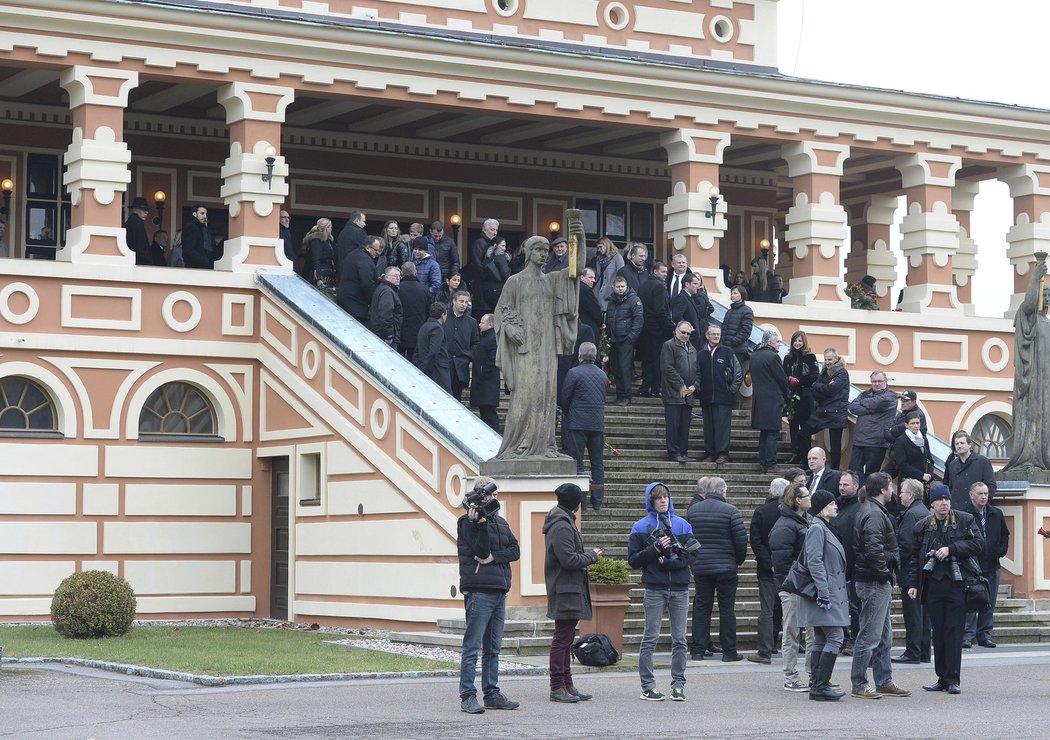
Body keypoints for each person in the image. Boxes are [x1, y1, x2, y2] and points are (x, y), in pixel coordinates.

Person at [493, 234, 582, 460]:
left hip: (546, 350)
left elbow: (576, 268)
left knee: (546, 395)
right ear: (529, 253)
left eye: (546, 250)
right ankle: (518, 445)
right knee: (524, 394)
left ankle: (544, 446)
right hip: (524, 349)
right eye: (539, 250)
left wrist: (577, 234)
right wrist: (509, 329)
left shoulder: (551, 280)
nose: (543, 254)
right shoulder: (515, 281)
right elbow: (501, 311)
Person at [908, 483, 984, 695]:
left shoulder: (964, 520)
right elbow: (914, 558)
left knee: (953, 631)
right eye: (940, 500)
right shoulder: (923, 525)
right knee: (938, 632)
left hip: (957, 584)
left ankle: (953, 679)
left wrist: (952, 549)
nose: (944, 503)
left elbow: (979, 544)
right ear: (931, 503)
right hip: (932, 585)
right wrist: (914, 583)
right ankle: (941, 677)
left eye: (947, 499)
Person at [628, 482, 698, 702]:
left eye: (665, 496)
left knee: (680, 640)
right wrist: (655, 548)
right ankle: (647, 686)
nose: (662, 500)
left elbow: (693, 555)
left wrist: (670, 563)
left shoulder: (683, 525)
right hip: (654, 589)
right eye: (657, 497)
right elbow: (633, 561)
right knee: (650, 638)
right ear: (650, 501)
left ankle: (678, 685)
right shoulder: (640, 527)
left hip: (679, 589)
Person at [456, 477, 521, 714]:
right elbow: (480, 550)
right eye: (491, 495)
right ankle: (467, 695)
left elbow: (516, 550)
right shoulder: (466, 522)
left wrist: (494, 558)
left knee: (493, 648)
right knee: (472, 647)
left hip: (499, 591)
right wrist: (480, 525)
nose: (495, 498)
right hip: (479, 591)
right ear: (480, 496)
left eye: (496, 494)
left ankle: (492, 693)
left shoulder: (502, 522)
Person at [850, 471, 911, 699]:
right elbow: (873, 549)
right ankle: (859, 683)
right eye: (891, 486)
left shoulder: (872, 510)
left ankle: (884, 680)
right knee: (869, 635)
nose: (893, 489)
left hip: (874, 579)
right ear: (883, 489)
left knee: (884, 636)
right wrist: (884, 573)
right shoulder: (875, 514)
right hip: (874, 581)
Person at [543, 483, 602, 703]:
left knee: (566, 639)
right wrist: (592, 556)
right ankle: (557, 686)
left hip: (568, 588)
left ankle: (567, 684)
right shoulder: (562, 526)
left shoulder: (564, 521)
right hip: (565, 589)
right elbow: (569, 560)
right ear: (575, 502)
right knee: (562, 639)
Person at [686, 476, 747, 662]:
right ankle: (729, 651)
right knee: (727, 608)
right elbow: (741, 541)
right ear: (723, 491)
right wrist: (737, 561)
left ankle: (698, 649)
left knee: (701, 607)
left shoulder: (693, 511)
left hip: (701, 567)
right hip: (726, 568)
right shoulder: (731, 511)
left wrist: (693, 561)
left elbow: (687, 538)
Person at [798, 488, 849, 700]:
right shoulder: (818, 528)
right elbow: (814, 561)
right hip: (825, 592)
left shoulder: (823, 527)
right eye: (831, 503)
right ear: (821, 508)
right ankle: (820, 685)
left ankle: (817, 683)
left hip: (827, 591)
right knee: (836, 636)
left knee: (821, 637)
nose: (835, 506)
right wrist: (824, 592)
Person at [1004, 259, 1050, 472]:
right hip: (1033, 383)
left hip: (1047, 383)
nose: (1047, 298)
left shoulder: (1048, 323)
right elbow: (1030, 304)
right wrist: (1035, 278)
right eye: (1045, 294)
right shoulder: (1028, 317)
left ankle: (1045, 455)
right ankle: (1030, 455)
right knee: (1033, 416)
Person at [769, 481, 812, 691]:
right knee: (792, 631)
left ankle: (814, 673)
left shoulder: (807, 521)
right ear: (797, 500)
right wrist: (789, 585)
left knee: (813, 632)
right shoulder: (785, 525)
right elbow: (781, 562)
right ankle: (791, 675)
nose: (809, 498)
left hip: (809, 585)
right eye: (806, 496)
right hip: (793, 586)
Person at [959, 481, 1009, 649]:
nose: (984, 497)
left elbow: (1005, 535)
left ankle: (985, 635)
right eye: (980, 494)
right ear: (971, 495)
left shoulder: (996, 513)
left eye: (986, 494)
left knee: (989, 602)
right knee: (972, 599)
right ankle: (967, 635)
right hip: (972, 566)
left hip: (992, 564)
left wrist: (1000, 551)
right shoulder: (964, 514)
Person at [560, 342, 608, 510]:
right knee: (597, 462)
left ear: (579, 355)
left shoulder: (573, 373)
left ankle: (582, 500)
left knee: (578, 462)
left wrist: (568, 413)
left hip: (577, 422)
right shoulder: (602, 375)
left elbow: (564, 398)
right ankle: (598, 500)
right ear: (594, 356)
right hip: (597, 423)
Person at [749, 477, 790, 665]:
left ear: (770, 492)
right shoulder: (790, 513)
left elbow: (756, 542)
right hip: (788, 569)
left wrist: (768, 562)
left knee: (767, 609)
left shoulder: (761, 512)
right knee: (790, 609)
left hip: (766, 570)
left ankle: (765, 651)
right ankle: (790, 647)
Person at [893, 478, 932, 665]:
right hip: (923, 571)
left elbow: (907, 546)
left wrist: (898, 566)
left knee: (913, 613)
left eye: (901, 491)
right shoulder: (924, 511)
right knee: (923, 614)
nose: (899, 495)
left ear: (910, 495)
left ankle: (913, 651)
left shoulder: (911, 515)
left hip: (911, 572)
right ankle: (923, 651)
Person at [697, 325, 742, 464]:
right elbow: (697, 374)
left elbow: (738, 373)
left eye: (718, 334)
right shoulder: (701, 354)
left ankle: (722, 454)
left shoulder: (727, 352)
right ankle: (710, 453)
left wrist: (731, 390)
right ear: (707, 335)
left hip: (724, 398)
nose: (716, 336)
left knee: (722, 427)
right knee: (709, 427)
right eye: (713, 334)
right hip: (706, 397)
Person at [829, 470, 862, 655]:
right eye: (840, 484)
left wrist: (849, 570)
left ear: (855, 487)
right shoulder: (837, 505)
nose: (842, 487)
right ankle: (842, 638)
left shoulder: (858, 508)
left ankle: (854, 640)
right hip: (837, 567)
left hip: (852, 566)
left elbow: (852, 542)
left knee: (855, 607)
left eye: (846, 485)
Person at [750, 328, 789, 473]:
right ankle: (771, 464)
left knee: (764, 433)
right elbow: (781, 379)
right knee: (772, 433)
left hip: (759, 400)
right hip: (772, 400)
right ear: (770, 343)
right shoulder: (773, 357)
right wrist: (787, 396)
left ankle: (763, 462)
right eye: (777, 341)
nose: (779, 344)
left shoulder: (755, 355)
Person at [847, 371, 898, 481]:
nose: (877, 384)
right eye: (874, 381)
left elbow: (881, 402)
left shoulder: (891, 396)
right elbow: (852, 407)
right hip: (859, 441)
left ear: (885, 381)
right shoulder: (865, 393)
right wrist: (873, 408)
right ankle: (859, 495)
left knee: (872, 475)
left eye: (880, 381)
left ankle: (868, 496)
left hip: (877, 442)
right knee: (853, 472)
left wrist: (864, 404)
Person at [660, 321, 697, 464]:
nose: (686, 335)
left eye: (688, 333)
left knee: (685, 426)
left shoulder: (692, 348)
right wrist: (680, 384)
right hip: (673, 394)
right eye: (683, 332)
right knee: (673, 425)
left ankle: (683, 451)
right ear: (676, 331)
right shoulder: (669, 345)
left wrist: (694, 386)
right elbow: (667, 368)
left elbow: (697, 370)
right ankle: (673, 452)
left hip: (688, 394)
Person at [807, 348, 850, 469]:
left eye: (830, 359)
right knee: (803, 433)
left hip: (836, 413)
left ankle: (834, 470)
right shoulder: (825, 370)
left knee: (835, 446)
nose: (827, 362)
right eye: (825, 359)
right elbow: (816, 389)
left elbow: (831, 389)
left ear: (836, 359)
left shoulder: (842, 373)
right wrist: (822, 387)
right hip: (824, 411)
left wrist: (819, 386)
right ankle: (807, 463)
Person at [604, 275, 643, 407]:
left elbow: (638, 320)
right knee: (616, 369)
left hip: (626, 340)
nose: (620, 289)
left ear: (626, 287)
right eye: (618, 287)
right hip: (613, 339)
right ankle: (620, 396)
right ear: (613, 287)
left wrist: (631, 337)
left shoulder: (634, 300)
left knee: (624, 369)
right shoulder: (612, 301)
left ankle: (626, 396)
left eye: (622, 287)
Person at [637, 261, 672, 398]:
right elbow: (660, 310)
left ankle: (645, 387)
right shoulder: (660, 286)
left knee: (647, 359)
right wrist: (669, 326)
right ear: (655, 271)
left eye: (666, 272)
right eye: (663, 271)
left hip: (644, 326)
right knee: (657, 359)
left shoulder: (643, 284)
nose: (665, 274)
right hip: (657, 329)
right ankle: (656, 388)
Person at [783, 330, 819, 465]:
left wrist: (800, 380)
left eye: (800, 341)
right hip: (791, 397)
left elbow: (815, 376)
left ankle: (806, 457)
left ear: (804, 342)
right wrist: (789, 379)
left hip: (805, 397)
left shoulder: (810, 357)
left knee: (805, 428)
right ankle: (796, 453)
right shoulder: (788, 358)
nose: (797, 343)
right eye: (795, 341)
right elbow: (783, 374)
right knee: (793, 427)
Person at [944, 431, 997, 508]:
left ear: (969, 445)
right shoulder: (952, 465)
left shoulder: (982, 462)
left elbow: (991, 485)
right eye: (957, 444)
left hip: (976, 509)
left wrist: (982, 503)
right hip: (957, 509)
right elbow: (950, 487)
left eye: (962, 443)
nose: (959, 446)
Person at [336, 234, 381, 323]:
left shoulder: (352, 255)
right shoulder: (365, 260)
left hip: (345, 299)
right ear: (368, 247)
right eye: (376, 250)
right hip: (357, 305)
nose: (378, 253)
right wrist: (374, 301)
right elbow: (367, 283)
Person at [445, 290, 480, 403]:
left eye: (466, 302)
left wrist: (468, 357)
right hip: (444, 364)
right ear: (453, 301)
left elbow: (475, 343)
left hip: (461, 366)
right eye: (461, 301)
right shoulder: (444, 317)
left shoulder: (472, 322)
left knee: (456, 398)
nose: (464, 304)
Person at [884, 411, 933, 490]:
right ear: (906, 425)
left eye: (918, 423)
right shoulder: (901, 441)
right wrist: (921, 475)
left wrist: (930, 474)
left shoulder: (923, 438)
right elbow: (901, 464)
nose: (916, 426)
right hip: (907, 483)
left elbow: (929, 459)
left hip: (923, 482)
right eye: (912, 423)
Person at [470, 313, 501, 433]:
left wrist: (483, 372)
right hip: (484, 385)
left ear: (491, 324)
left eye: (482, 322)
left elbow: (493, 360)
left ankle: (494, 437)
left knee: (489, 414)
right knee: (485, 414)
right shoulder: (486, 337)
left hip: (487, 385)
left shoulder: (492, 338)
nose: (479, 324)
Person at [414, 303, 452, 392]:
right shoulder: (437, 328)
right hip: (437, 372)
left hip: (424, 367)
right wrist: (425, 369)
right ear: (443, 315)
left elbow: (417, 349)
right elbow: (434, 352)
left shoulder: (424, 326)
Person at [397, 261, 430, 361]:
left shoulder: (397, 289)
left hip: (400, 331)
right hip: (418, 331)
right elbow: (428, 311)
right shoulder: (424, 290)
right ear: (415, 272)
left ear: (402, 273)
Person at [367, 266, 403, 348]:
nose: (398, 278)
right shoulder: (387, 292)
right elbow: (386, 314)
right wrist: (389, 335)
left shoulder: (382, 288)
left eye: (399, 276)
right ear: (386, 277)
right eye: (395, 276)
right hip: (383, 336)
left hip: (378, 332)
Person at [721, 285, 754, 373]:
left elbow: (746, 331)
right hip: (725, 348)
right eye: (732, 293)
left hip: (737, 350)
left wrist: (733, 341)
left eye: (735, 293)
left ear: (742, 295)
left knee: (735, 375)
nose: (732, 295)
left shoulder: (747, 311)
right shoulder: (729, 312)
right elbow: (724, 329)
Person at [586, 235, 624, 311]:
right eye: (598, 248)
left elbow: (621, 276)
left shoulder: (617, 257)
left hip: (610, 293)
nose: (599, 249)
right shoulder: (598, 259)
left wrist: (614, 290)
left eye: (601, 247)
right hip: (598, 291)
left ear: (607, 245)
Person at [180, 204, 222, 269]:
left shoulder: (203, 228)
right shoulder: (191, 227)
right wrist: (204, 261)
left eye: (206, 214)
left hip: (205, 265)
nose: (205, 216)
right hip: (195, 267)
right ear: (194, 214)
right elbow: (188, 249)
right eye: (202, 213)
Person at [671, 274, 704, 351]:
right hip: (687, 339)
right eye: (695, 284)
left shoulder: (689, 297)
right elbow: (677, 316)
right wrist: (687, 329)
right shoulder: (681, 298)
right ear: (687, 284)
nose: (697, 286)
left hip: (692, 339)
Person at [303, 218, 336, 290]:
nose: (331, 229)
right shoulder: (316, 241)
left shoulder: (328, 241)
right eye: (330, 227)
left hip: (329, 273)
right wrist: (318, 278)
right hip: (321, 275)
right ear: (326, 228)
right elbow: (316, 260)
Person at [123, 196, 155, 265]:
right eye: (143, 209)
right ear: (135, 209)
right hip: (139, 263)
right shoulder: (137, 223)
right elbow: (141, 247)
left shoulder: (131, 222)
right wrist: (148, 263)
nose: (147, 212)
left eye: (147, 210)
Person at [577, 268, 604, 343]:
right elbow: (595, 310)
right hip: (589, 326)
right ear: (582, 277)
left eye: (594, 278)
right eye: (590, 277)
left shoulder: (575, 288)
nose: (594, 280)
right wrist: (601, 323)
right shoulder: (586, 290)